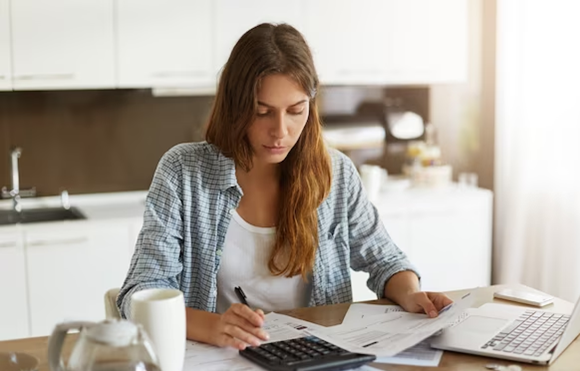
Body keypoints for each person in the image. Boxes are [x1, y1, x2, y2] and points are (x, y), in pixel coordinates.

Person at [117, 23, 452, 350]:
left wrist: (409, 292)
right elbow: (140, 293)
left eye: (295, 111)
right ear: (236, 107)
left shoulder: (336, 175)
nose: (280, 131)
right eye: (262, 112)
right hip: (220, 361)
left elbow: (386, 261)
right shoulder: (182, 173)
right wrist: (212, 326)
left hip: (315, 358)